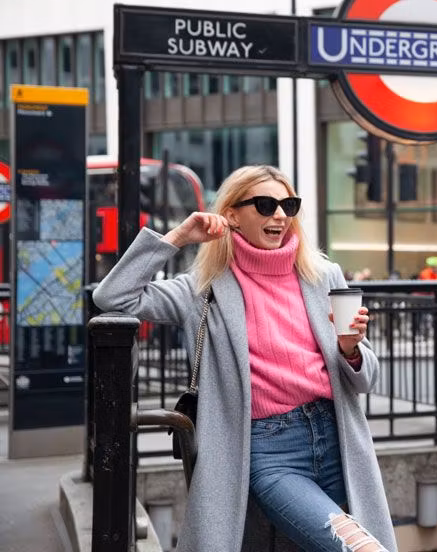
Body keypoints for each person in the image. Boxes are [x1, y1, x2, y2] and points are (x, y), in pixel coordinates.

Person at [92, 165, 396, 552]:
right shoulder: (203, 288)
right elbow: (112, 297)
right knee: (360, 548)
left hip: (337, 437)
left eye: (289, 204)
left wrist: (351, 349)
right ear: (232, 214)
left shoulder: (324, 276)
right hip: (269, 452)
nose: (281, 215)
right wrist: (178, 237)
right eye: (267, 205)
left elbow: (364, 380)